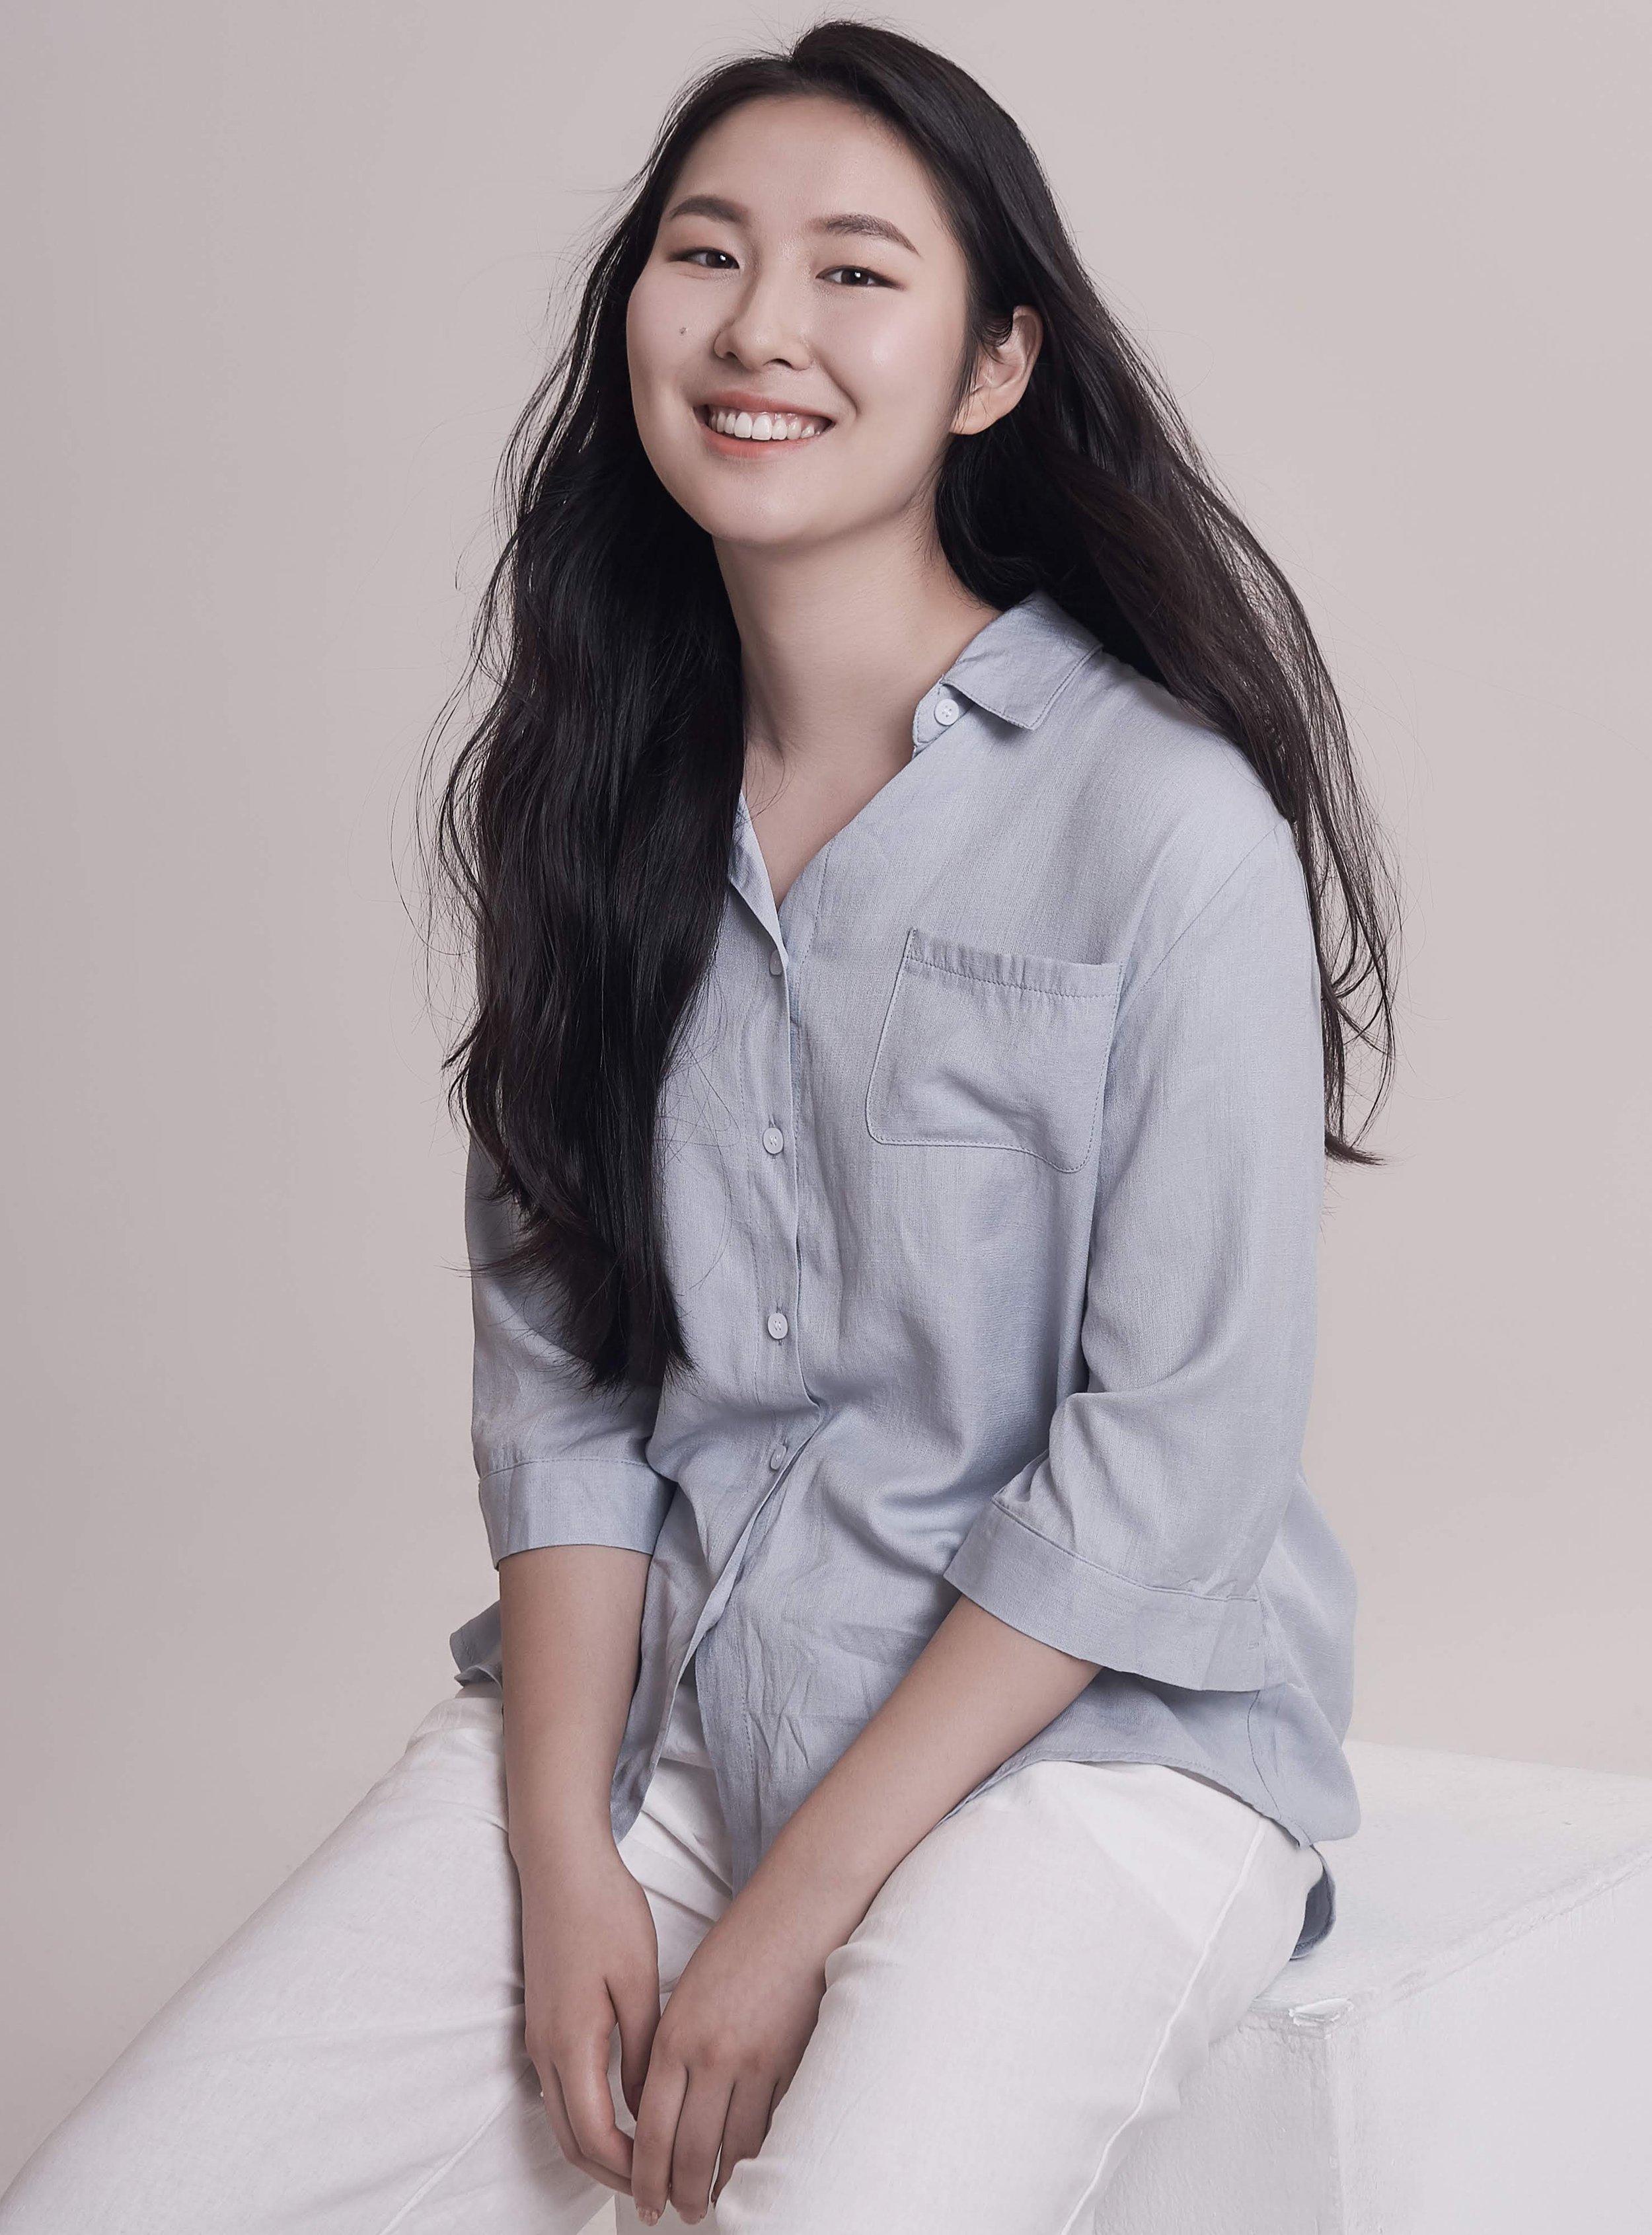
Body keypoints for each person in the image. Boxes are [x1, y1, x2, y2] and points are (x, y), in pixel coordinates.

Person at [0, 18, 1399, 2233]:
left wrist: (784, 1923)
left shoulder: (1157, 823)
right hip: (674, 1732)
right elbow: (564, 1395)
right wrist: (571, 1862)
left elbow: (1171, 1478)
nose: (760, 326)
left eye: (856, 272)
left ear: (990, 364)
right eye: (704, 253)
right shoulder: (593, 799)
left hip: (1086, 1768)